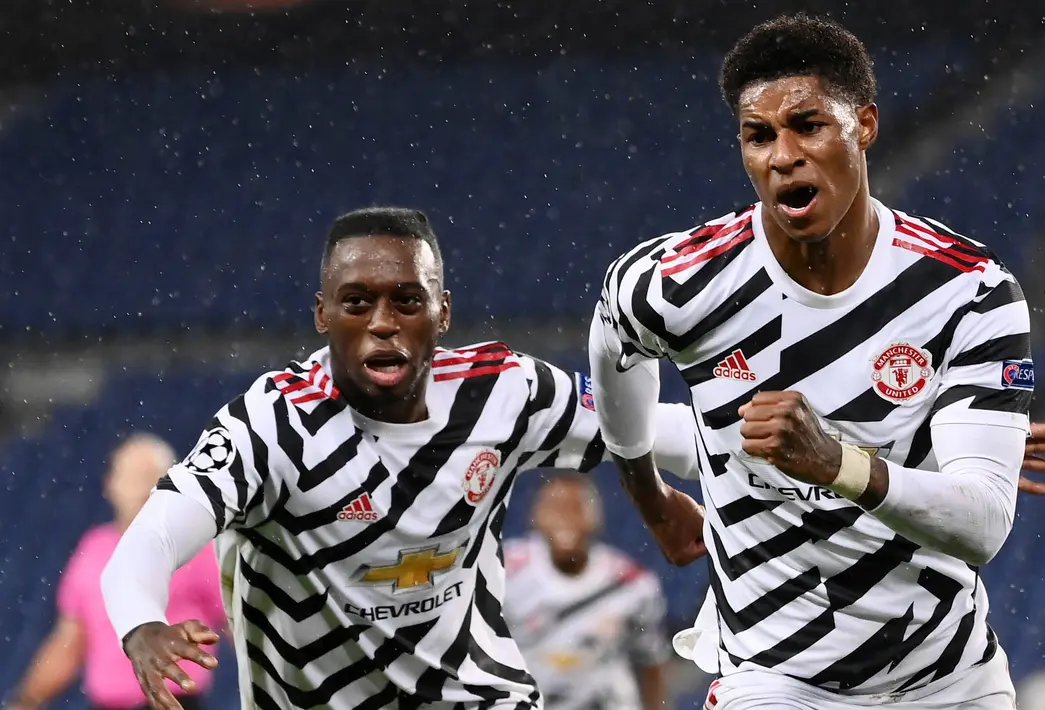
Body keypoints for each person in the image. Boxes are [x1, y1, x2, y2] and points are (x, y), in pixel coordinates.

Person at [587, 13, 1045, 710]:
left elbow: (981, 526)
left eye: (807, 125)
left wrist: (841, 462)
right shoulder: (678, 282)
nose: (781, 155)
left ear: (866, 126)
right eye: (757, 136)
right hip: (773, 677)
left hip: (946, 679)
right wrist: (647, 493)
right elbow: (614, 343)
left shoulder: (967, 290)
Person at [96, 207, 701, 710]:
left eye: (407, 301)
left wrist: (763, 456)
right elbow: (147, 544)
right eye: (356, 302)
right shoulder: (271, 425)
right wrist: (141, 624)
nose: (383, 324)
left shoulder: (502, 392)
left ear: (442, 311)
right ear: (322, 313)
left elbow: (669, 429)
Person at [5, 434, 225, 710]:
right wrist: (27, 700)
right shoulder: (93, 549)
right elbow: (71, 640)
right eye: (131, 477)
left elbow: (239, 623)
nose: (141, 489)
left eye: (150, 477)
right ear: (110, 485)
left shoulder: (196, 546)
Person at [504, 473, 671, 710]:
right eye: (554, 508)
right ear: (535, 515)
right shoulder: (503, 571)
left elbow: (651, 662)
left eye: (576, 508)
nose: (565, 519)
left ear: (596, 517)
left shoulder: (631, 583)